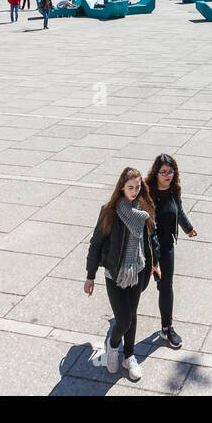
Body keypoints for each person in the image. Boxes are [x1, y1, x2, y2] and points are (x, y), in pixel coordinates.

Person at [84, 167, 161, 382]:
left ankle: (129, 356)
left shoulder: (144, 209)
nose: (135, 191)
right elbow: (95, 244)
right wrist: (90, 276)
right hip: (115, 274)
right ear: (121, 187)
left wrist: (155, 263)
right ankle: (113, 345)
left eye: (138, 187)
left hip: (138, 270)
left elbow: (151, 238)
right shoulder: (110, 211)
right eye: (130, 188)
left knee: (132, 314)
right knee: (124, 320)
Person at [145, 155, 197, 350]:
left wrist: (188, 228)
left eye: (170, 171)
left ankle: (167, 329)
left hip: (167, 247)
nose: (167, 175)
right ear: (156, 173)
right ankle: (122, 320)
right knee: (136, 287)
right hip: (147, 249)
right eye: (163, 172)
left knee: (166, 287)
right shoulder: (147, 193)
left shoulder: (174, 190)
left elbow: (180, 211)